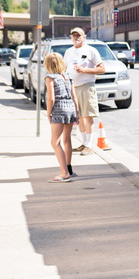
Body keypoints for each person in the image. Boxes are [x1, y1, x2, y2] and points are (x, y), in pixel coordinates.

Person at [64, 28, 105, 156]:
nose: (76, 38)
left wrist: (85, 70)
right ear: (71, 37)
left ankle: (89, 145)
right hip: (73, 87)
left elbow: (102, 69)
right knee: (79, 117)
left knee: (88, 116)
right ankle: (84, 143)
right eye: (74, 35)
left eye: (78, 35)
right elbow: (65, 68)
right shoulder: (68, 52)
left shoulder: (91, 50)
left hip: (87, 86)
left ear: (84, 37)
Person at [44, 52, 80, 182]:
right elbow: (74, 96)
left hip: (59, 109)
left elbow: (51, 99)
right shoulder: (67, 76)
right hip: (70, 108)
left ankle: (64, 173)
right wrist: (77, 113)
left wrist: (48, 113)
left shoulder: (50, 77)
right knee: (67, 139)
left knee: (55, 142)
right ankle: (69, 168)